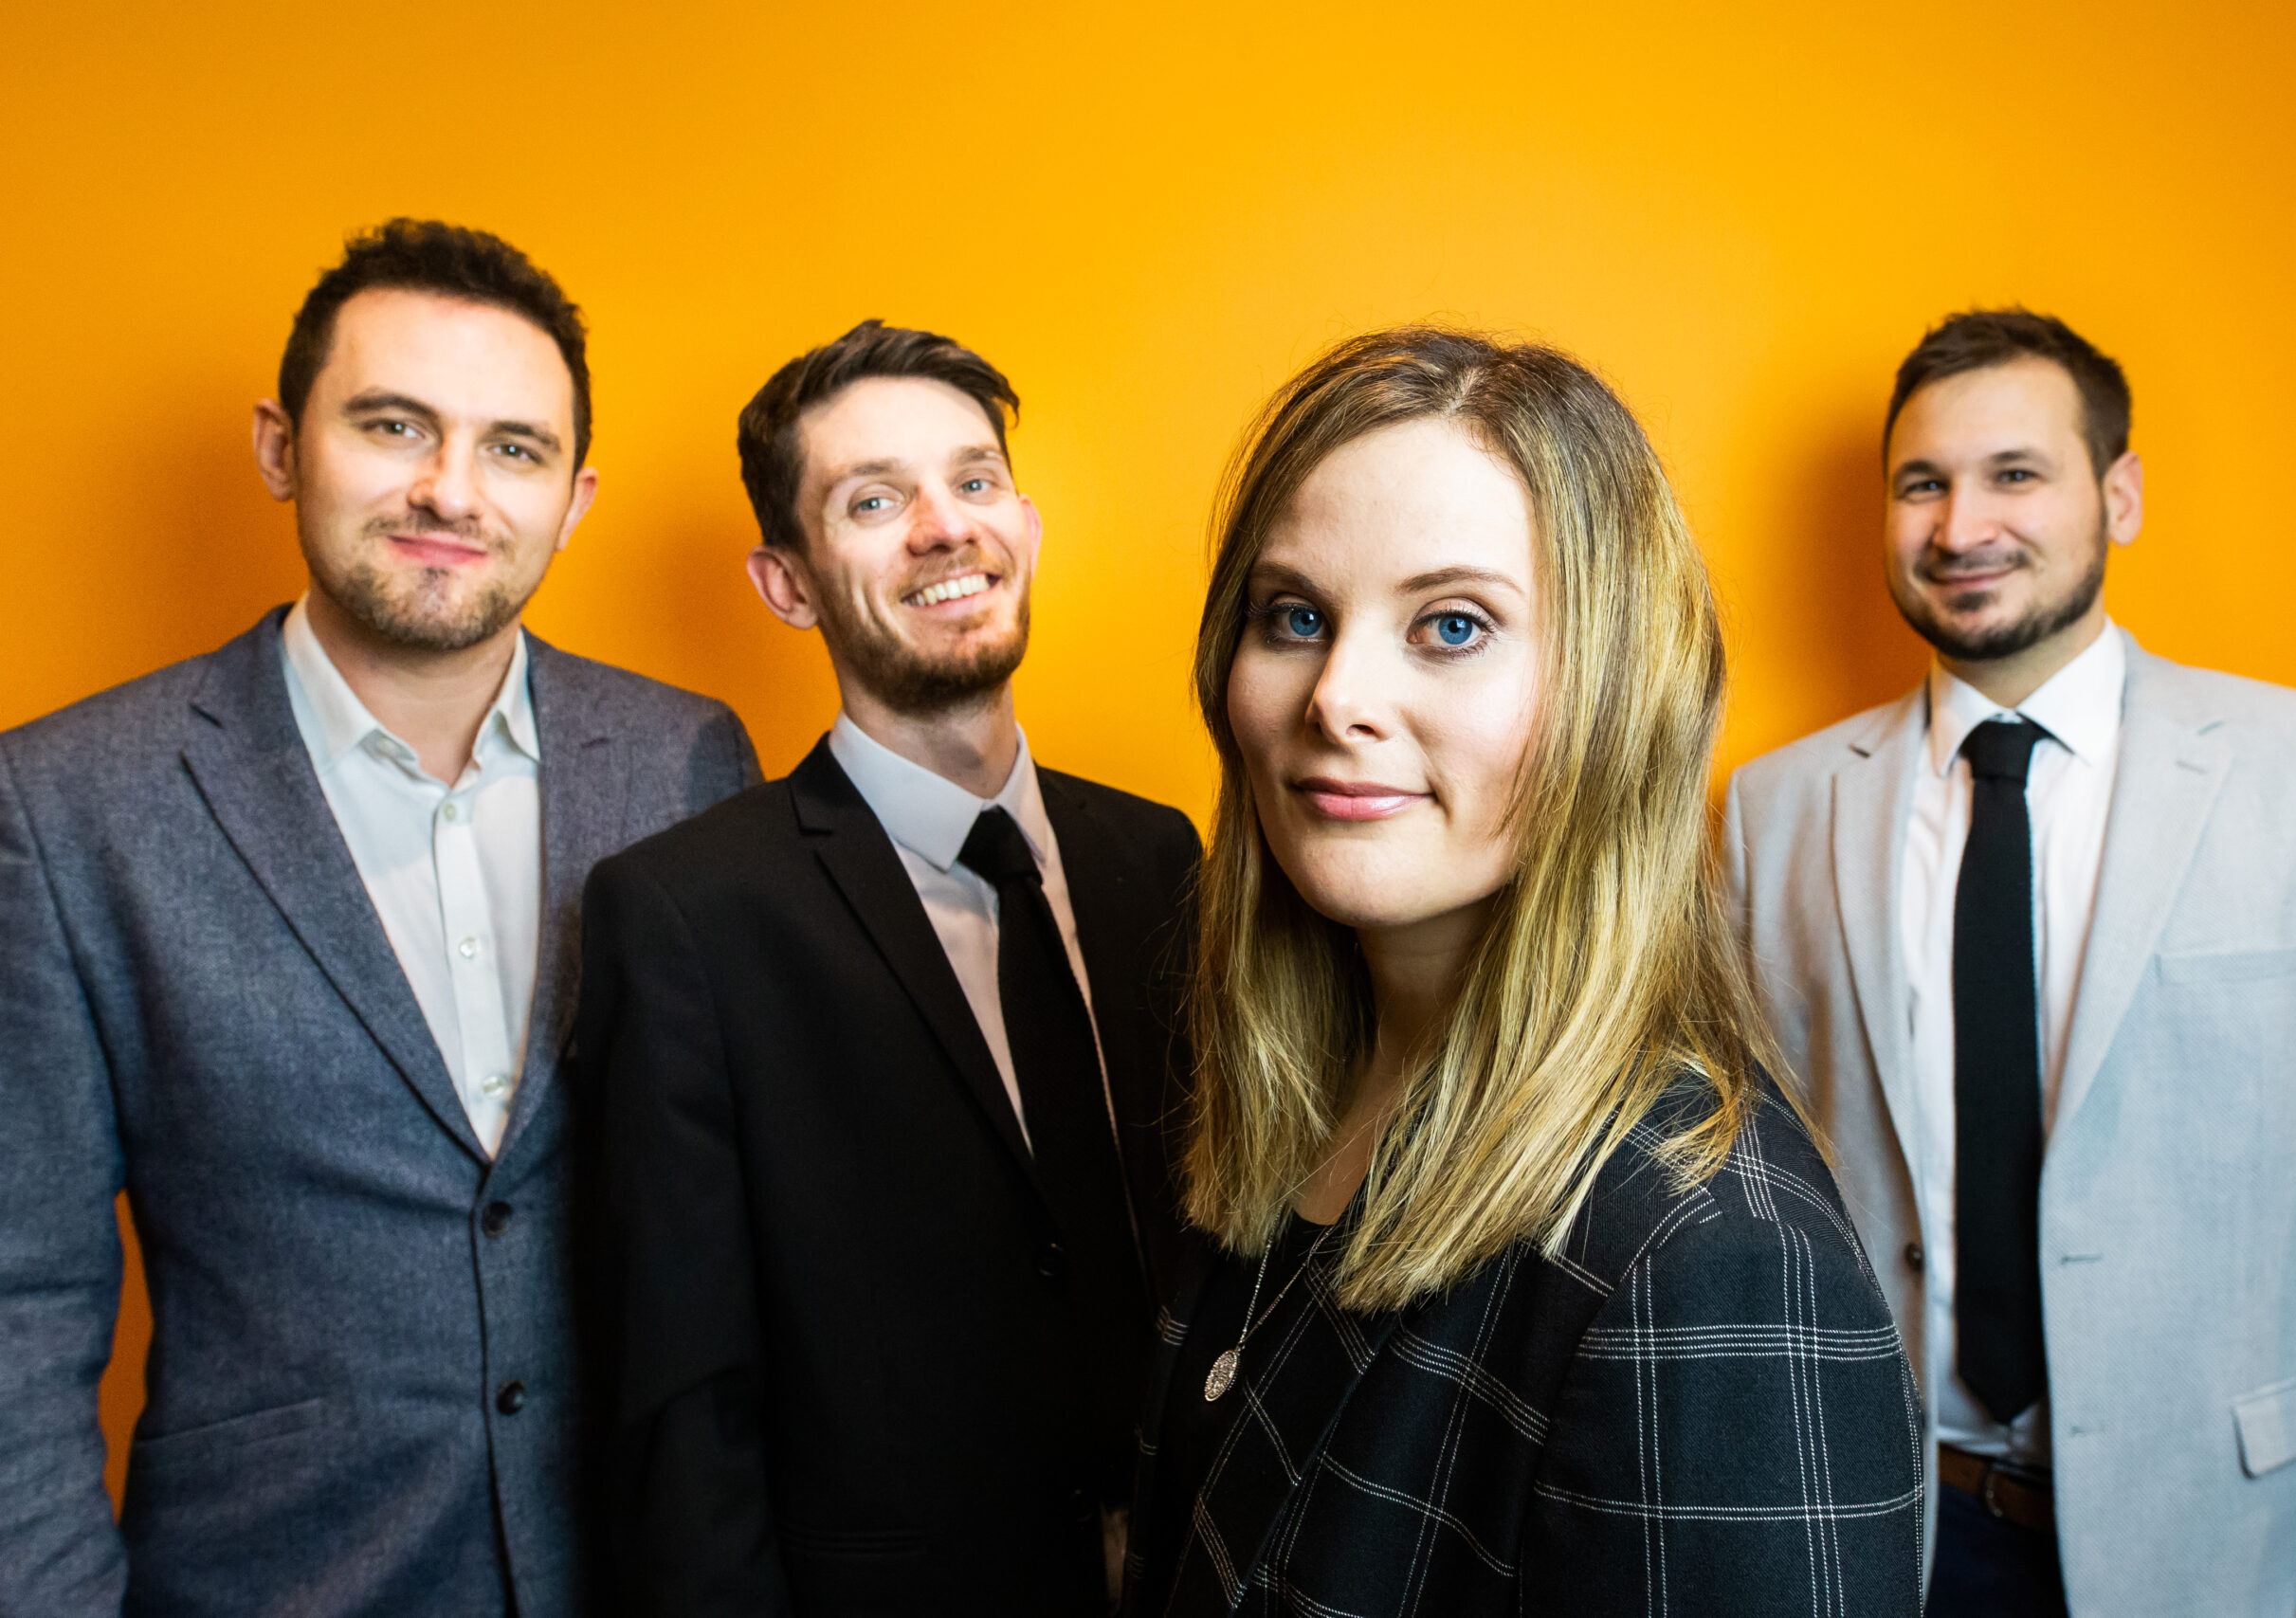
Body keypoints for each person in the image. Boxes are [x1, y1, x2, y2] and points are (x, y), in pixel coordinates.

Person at [0, 219, 761, 1618]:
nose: (449, 489)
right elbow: (16, 1305)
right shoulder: (64, 806)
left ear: (575, 498)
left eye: (513, 448)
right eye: (393, 423)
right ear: (282, 446)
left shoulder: (686, 761)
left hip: (648, 1582)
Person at [1122, 326, 1922, 1617]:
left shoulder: (1710, 1252)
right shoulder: (1292, 1107)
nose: (1338, 696)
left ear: (1618, 694)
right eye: (1294, 618)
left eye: (1450, 625)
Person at [1723, 308, 2296, 1617]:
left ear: (2121, 493)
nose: (1959, 525)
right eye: (1920, 484)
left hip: (2232, 1545)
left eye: (2015, 474)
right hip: (1893, 1536)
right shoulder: (1775, 810)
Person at [575, 319, 1202, 1615]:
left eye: (974, 483)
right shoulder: (685, 915)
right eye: (874, 500)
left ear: (1022, 524)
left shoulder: (1158, 855)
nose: (942, 527)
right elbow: (685, 1416)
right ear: (787, 582)